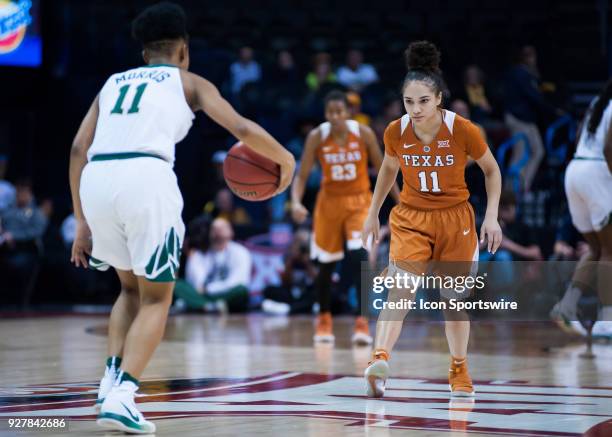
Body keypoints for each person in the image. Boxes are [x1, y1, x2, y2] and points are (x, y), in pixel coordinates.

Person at [68, 3, 295, 433]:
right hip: (145, 176)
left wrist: (81, 221)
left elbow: (79, 148)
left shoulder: (112, 84)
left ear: (144, 52)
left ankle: (109, 381)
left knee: (129, 289)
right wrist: (286, 159)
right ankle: (124, 395)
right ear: (184, 51)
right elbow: (242, 128)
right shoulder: (188, 81)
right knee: (158, 298)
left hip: (96, 180)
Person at [361, 41, 502, 398]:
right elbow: (388, 170)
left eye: (423, 101)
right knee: (400, 291)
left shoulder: (463, 129)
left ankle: (459, 367)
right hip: (411, 217)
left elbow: (492, 171)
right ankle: (379, 361)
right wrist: (372, 212)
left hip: (456, 220)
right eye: (409, 101)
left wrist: (493, 218)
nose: (416, 108)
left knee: (452, 303)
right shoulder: (395, 131)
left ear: (438, 98)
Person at [291, 90, 399, 345]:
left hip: (359, 201)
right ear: (326, 114)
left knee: (359, 255)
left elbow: (385, 167)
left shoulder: (363, 133)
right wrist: (295, 201)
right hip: (328, 204)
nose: (335, 117)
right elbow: (303, 175)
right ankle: (324, 319)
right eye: (331, 112)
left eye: (340, 112)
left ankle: (361, 321)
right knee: (326, 264)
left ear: (348, 112)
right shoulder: (317, 136)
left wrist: (400, 200)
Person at [563, 78, 612, 339]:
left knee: (595, 248)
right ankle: (607, 321)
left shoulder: (597, 103)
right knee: (609, 251)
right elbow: (609, 148)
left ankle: (567, 307)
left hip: (575, 171)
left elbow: (580, 135)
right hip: (596, 173)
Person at [503, 45, 563, 192]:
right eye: (527, 55)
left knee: (538, 150)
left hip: (527, 119)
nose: (531, 58)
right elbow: (534, 97)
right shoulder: (519, 73)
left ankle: (522, 187)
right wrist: (554, 111)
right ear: (522, 57)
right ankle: (509, 194)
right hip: (517, 118)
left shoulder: (530, 74)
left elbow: (538, 93)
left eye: (532, 55)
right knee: (520, 154)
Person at [178, 218, 251, 312]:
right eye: (214, 228)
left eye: (222, 228)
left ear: (231, 231)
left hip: (226, 293)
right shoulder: (200, 254)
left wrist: (209, 289)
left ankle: (199, 305)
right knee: (178, 285)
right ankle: (209, 306)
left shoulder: (241, 252)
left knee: (241, 290)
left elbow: (238, 281)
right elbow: (196, 283)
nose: (218, 231)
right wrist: (192, 259)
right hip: (204, 295)